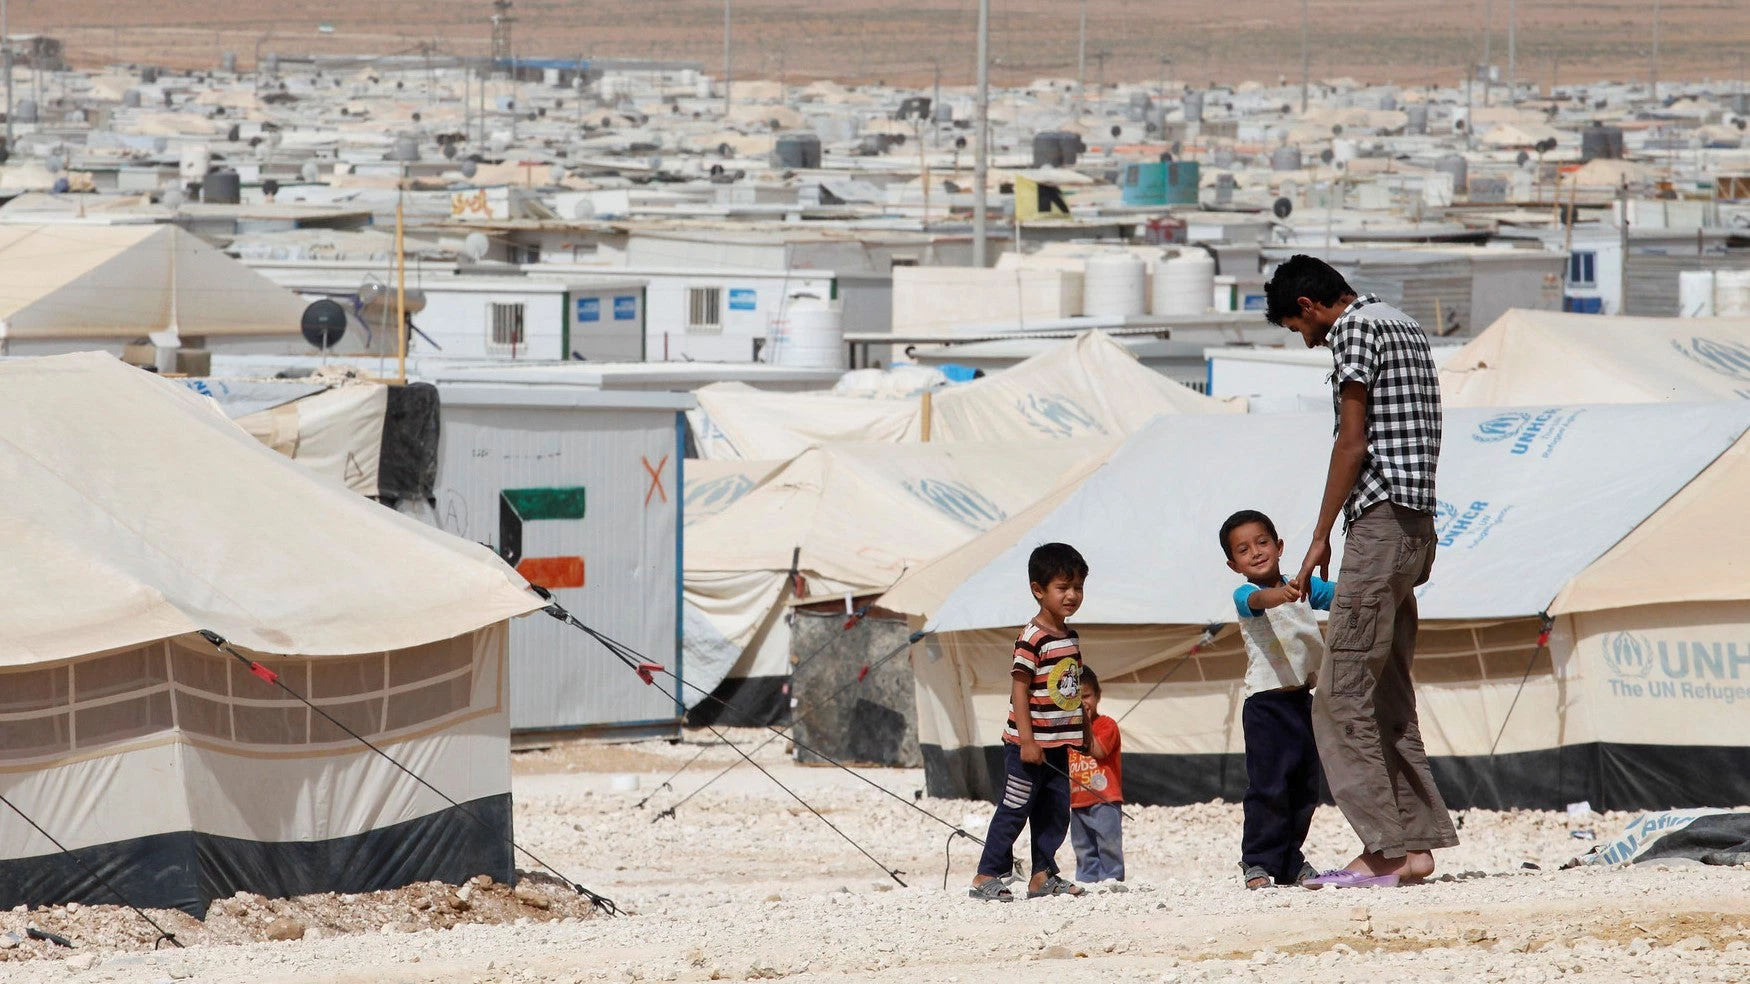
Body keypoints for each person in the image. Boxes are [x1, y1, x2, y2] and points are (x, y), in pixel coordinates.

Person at [1266, 254, 1458, 888]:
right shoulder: (1402, 322)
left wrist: (1320, 536)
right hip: (1417, 524)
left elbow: (1353, 441)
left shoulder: (1354, 331)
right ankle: (1418, 844)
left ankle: (1384, 848)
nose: (1307, 337)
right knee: (1387, 691)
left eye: (1299, 326)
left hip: (1379, 525)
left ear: (1311, 306)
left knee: (1340, 693)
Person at [969, 542, 1090, 902]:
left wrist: (1082, 730)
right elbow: (1019, 691)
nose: (1072, 595)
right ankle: (986, 874)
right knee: (1015, 807)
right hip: (1027, 746)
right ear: (1038, 590)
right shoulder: (1032, 638)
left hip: (1058, 745)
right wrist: (1027, 740)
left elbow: (1072, 689)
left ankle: (1042, 875)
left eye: (1078, 588)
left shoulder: (1070, 638)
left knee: (1054, 811)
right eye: (1062, 587)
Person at [1222, 509, 1333, 891]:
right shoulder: (1247, 594)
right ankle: (1256, 861)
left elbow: (1341, 596)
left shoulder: (1302, 585)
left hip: (1302, 700)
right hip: (1266, 707)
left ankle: (1290, 861)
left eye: (1262, 542)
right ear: (1233, 564)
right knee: (1268, 786)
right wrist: (1282, 594)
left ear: (1280, 546)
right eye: (1243, 549)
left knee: (1304, 787)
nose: (1255, 552)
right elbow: (1260, 600)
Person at [1067, 668, 1124, 884]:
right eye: (1076, 699)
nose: (1083, 703)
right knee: (1082, 845)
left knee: (1108, 843)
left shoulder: (1106, 725)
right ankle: (1087, 880)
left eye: (1086, 696)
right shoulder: (1067, 733)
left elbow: (1098, 750)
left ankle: (1112, 878)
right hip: (1078, 800)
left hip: (1105, 800)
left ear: (1098, 696)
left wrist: (1082, 722)